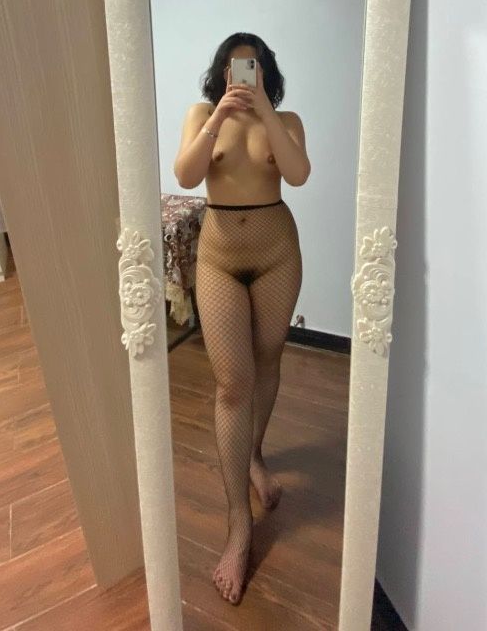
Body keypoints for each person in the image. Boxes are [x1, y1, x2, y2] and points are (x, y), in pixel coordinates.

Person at [173, 32, 311, 606]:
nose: (242, 77)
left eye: (251, 68)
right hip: (220, 258)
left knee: (268, 360)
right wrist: (219, 118)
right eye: (234, 70)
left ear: (266, 73)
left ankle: (253, 454)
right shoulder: (202, 114)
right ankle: (238, 526)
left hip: (277, 252)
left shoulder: (287, 120)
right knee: (233, 384)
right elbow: (186, 176)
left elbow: (298, 175)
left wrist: (266, 114)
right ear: (221, 74)